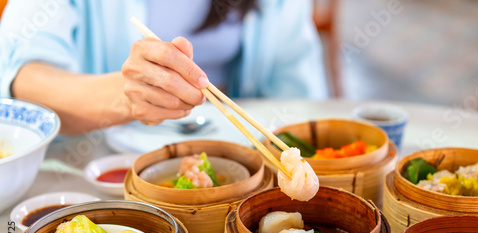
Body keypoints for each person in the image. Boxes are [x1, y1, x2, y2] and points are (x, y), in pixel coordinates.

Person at [0, 0, 328, 134]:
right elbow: (21, 78)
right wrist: (126, 97)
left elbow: (299, 98)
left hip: (233, 163)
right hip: (99, 165)